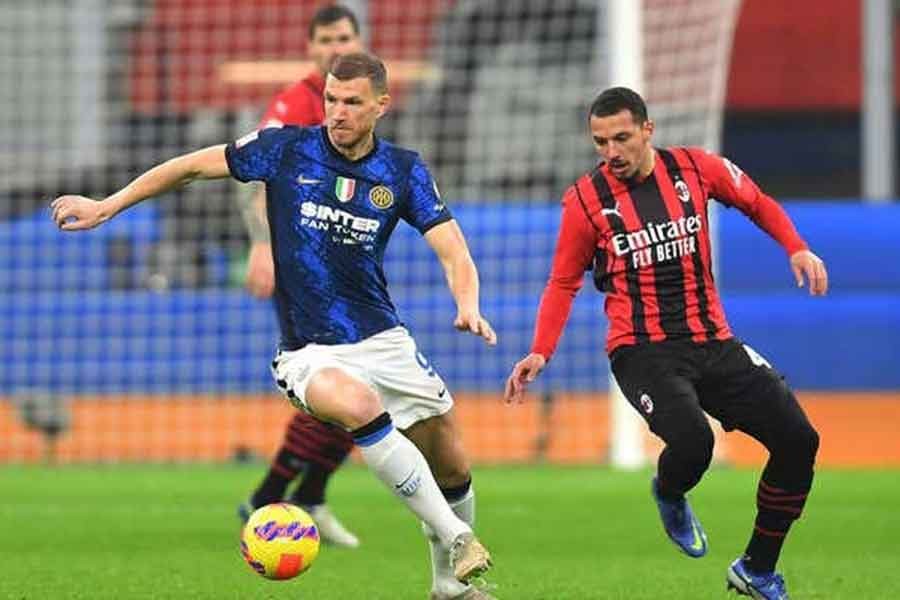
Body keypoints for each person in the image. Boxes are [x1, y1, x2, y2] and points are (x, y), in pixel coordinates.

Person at [53, 52, 496, 600]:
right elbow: (188, 166)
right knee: (359, 406)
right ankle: (457, 536)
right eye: (331, 99)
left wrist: (468, 303)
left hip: (384, 339)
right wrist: (108, 206)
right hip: (309, 352)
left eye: (352, 102)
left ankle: (449, 589)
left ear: (381, 105)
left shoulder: (402, 170)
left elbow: (453, 251)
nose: (337, 112)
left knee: (451, 460)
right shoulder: (285, 148)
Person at [504, 87, 827, 600]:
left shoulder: (697, 169)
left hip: (713, 341)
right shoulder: (585, 201)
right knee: (694, 443)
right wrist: (541, 350)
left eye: (621, 138)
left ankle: (757, 569)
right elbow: (563, 281)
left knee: (798, 440)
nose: (611, 152)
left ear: (647, 130)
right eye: (600, 142)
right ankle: (670, 491)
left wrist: (796, 247)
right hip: (642, 351)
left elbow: (756, 202)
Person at [235, 3, 364, 551]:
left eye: (344, 38)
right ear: (311, 48)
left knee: (362, 386)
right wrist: (263, 244)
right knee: (338, 386)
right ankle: (281, 495)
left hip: (343, 267)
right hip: (299, 267)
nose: (336, 47)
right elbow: (253, 175)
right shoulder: (294, 103)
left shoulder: (358, 103)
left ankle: (293, 495)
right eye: (327, 39)